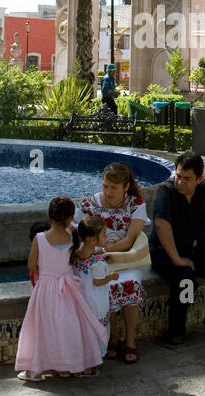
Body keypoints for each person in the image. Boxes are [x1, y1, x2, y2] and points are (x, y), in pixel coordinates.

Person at [149, 150, 205, 345]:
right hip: (167, 254)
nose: (180, 182)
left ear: (199, 178)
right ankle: (176, 330)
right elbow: (160, 224)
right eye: (178, 176)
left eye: (187, 179)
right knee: (186, 280)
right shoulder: (166, 191)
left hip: (200, 251)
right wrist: (177, 260)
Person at [16, 197, 108, 381]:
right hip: (68, 288)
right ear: (69, 218)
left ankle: (35, 370)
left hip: (45, 289)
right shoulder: (72, 238)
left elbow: (32, 265)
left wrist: (44, 274)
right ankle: (67, 367)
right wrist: (70, 226)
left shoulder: (39, 239)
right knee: (68, 327)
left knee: (43, 328)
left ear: (50, 215)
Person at [79, 161, 147, 364]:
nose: (108, 192)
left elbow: (129, 240)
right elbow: (76, 235)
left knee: (131, 283)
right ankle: (112, 338)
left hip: (126, 260)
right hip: (97, 264)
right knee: (103, 285)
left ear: (126, 187)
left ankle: (130, 341)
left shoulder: (136, 204)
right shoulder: (89, 205)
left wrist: (104, 250)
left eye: (114, 188)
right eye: (105, 186)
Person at [71, 215, 119, 343]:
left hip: (81, 299)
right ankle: (96, 356)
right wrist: (111, 277)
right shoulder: (97, 262)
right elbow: (97, 282)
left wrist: (101, 249)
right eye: (104, 235)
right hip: (95, 301)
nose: (106, 237)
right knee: (98, 329)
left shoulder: (76, 253)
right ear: (93, 239)